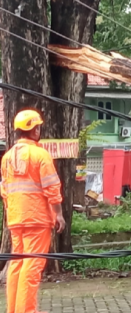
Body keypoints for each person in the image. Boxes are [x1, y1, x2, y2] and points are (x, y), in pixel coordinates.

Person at [1, 109, 65, 313]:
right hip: (37, 219)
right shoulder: (40, 154)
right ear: (34, 129)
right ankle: (26, 311)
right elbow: (52, 188)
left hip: (16, 220)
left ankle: (13, 310)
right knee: (32, 265)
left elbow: (5, 191)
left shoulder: (7, 157)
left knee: (17, 265)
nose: (39, 129)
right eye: (38, 126)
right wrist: (58, 214)